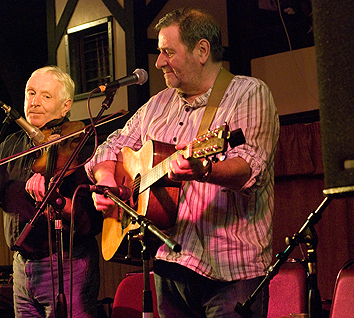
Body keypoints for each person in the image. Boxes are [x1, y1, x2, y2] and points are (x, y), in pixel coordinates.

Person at [85, 7, 280, 318]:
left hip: (231, 272)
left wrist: (205, 169)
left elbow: (248, 167)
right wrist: (108, 177)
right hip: (170, 267)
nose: (159, 61)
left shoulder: (248, 93)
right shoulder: (158, 104)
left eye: (167, 52)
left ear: (202, 50)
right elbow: (109, 146)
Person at [0, 66, 102, 317]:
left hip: (67, 264)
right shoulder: (12, 143)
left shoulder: (79, 144)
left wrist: (55, 201)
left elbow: (92, 217)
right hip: (22, 268)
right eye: (30, 93)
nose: (34, 102)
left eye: (45, 96)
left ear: (66, 106)